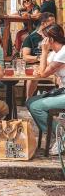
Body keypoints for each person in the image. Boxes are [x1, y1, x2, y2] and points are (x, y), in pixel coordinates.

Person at [26, 24, 65, 155]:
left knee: (36, 107)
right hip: (62, 91)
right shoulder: (55, 53)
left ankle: (61, 137)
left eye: (44, 38)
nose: (42, 42)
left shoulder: (63, 52)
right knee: (30, 102)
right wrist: (42, 64)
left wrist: (43, 51)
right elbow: (41, 68)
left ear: (51, 40)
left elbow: (42, 73)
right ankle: (56, 135)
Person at [22, 12, 56, 98]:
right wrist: (39, 58)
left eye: (54, 23)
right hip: (36, 65)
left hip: (53, 65)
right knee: (34, 75)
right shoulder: (30, 38)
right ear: (43, 24)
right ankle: (28, 100)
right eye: (52, 23)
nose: (54, 26)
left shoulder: (56, 37)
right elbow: (25, 56)